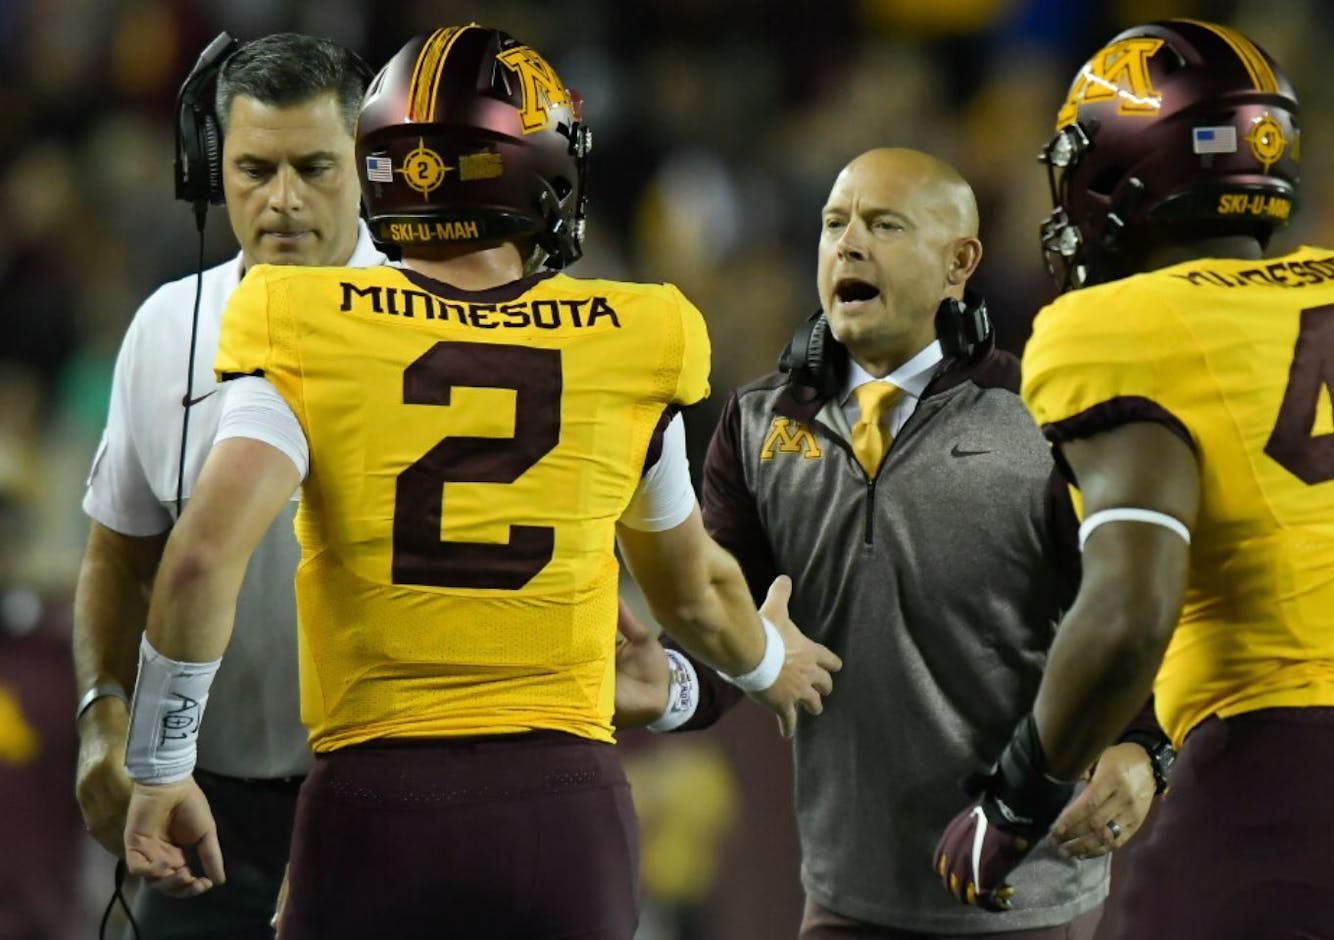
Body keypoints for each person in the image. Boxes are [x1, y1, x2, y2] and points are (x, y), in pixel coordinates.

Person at [118, 24, 841, 940]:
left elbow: (198, 561)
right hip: (560, 811)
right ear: (531, 167)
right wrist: (772, 665)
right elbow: (694, 595)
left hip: (370, 809)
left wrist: (160, 762)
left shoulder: (301, 322)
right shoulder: (634, 336)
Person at [933, 17, 1334, 939]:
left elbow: (1128, 612)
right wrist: (1150, 749)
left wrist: (1012, 806)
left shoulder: (1120, 322)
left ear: (1127, 168)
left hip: (1286, 775)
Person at [619, 146, 1168, 939]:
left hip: (1027, 903)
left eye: (884, 224)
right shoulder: (756, 424)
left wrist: (1145, 749)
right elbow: (720, 630)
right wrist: (665, 679)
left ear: (960, 263)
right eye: (834, 223)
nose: (848, 243)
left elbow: (1133, 608)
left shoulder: (1047, 422)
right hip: (846, 901)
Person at [72, 32, 382, 937]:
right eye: (252, 168)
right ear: (210, 171)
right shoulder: (167, 330)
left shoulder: (431, 327)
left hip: (389, 816)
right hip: (204, 819)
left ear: (366, 166)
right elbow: (117, 557)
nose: (282, 201)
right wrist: (101, 716)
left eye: (315, 167)